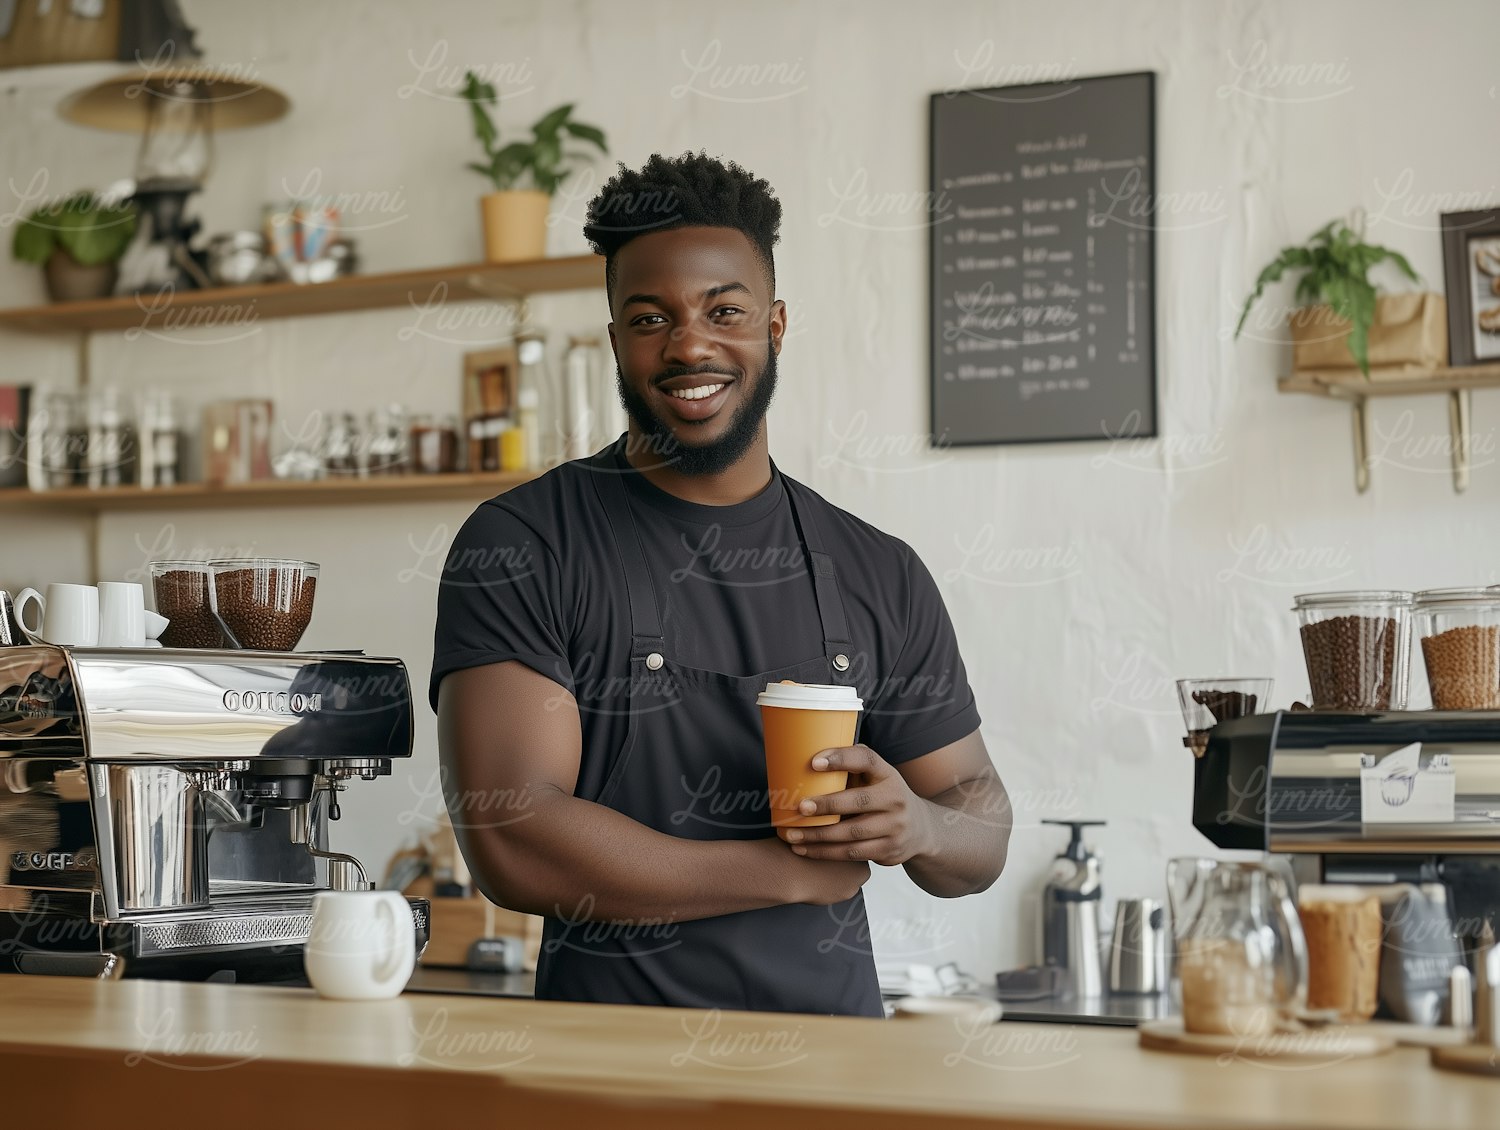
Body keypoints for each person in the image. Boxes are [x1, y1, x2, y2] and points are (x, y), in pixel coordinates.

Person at [432, 151, 1010, 1017]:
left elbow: (981, 822)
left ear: (774, 326)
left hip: (834, 1078)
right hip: (604, 1082)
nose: (689, 344)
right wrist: (785, 876)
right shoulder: (523, 544)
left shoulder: (877, 569)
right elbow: (515, 835)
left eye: (724, 310)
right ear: (616, 338)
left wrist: (920, 826)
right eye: (649, 317)